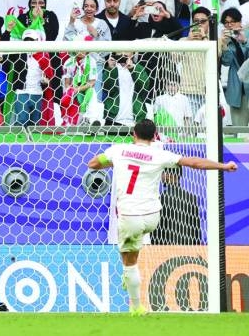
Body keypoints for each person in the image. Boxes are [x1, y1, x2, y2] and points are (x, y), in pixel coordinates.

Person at [86, 119, 237, 314]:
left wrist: (114, 163)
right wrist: (223, 166)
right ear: (154, 136)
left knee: (129, 262)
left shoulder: (118, 150)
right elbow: (194, 163)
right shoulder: (160, 154)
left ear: (134, 134)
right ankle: (130, 273)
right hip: (152, 218)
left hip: (130, 215)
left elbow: (93, 164)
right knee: (136, 243)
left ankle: (136, 307)